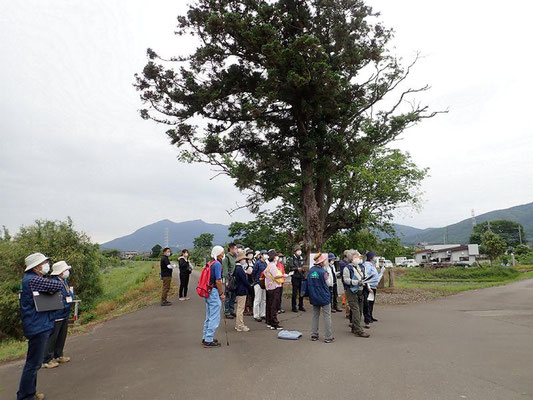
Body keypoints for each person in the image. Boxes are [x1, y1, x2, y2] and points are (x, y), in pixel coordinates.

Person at [17, 252, 64, 400]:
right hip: (38, 326)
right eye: (44, 263)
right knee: (33, 364)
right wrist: (52, 289)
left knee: (35, 364)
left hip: (39, 324)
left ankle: (30, 392)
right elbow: (57, 284)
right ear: (37, 266)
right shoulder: (33, 280)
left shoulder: (32, 280)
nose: (46, 265)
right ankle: (25, 396)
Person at [42, 261, 75, 369]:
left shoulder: (64, 281)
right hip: (56, 314)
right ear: (60, 272)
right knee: (52, 338)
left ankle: (58, 355)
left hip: (64, 313)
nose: (67, 272)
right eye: (65, 270)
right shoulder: (53, 282)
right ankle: (47, 359)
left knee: (62, 336)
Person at [307, 253, 334, 343]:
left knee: (315, 315)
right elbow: (329, 283)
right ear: (321, 262)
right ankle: (328, 337)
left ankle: (314, 334)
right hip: (324, 296)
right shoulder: (323, 272)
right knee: (327, 316)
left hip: (314, 296)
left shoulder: (310, 271)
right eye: (324, 260)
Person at [202, 246, 226, 348]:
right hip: (214, 292)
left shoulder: (210, 263)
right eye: (222, 252)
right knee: (214, 317)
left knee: (209, 316)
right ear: (219, 253)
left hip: (208, 291)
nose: (223, 254)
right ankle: (209, 339)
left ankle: (206, 336)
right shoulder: (217, 264)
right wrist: (221, 294)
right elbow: (218, 281)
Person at [343, 250, 370, 338]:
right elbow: (346, 280)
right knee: (356, 310)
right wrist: (357, 282)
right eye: (355, 257)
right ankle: (358, 330)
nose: (358, 258)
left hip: (360, 290)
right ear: (351, 258)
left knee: (360, 310)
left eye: (358, 257)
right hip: (351, 291)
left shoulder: (361, 267)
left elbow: (365, 277)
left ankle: (355, 327)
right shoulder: (347, 268)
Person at [363, 252, 386, 324]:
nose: (375, 258)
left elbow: (376, 278)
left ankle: (370, 316)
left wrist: (381, 273)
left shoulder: (372, 265)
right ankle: (367, 318)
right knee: (368, 303)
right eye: (374, 256)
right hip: (369, 287)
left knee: (371, 302)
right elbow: (367, 277)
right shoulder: (367, 265)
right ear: (371, 258)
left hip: (373, 286)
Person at [264, 250, 284, 330]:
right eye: (276, 256)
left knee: (269, 304)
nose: (277, 257)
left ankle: (269, 321)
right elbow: (276, 276)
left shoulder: (268, 265)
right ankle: (274, 323)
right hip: (275, 287)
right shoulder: (272, 265)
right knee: (274, 305)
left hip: (269, 287)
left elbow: (265, 273)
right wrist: (283, 275)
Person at [234, 252, 253, 332]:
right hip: (242, 290)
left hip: (239, 290)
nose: (245, 260)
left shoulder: (237, 268)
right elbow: (244, 281)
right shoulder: (239, 269)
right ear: (241, 260)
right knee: (240, 309)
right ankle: (240, 325)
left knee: (239, 308)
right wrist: (250, 287)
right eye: (244, 259)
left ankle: (238, 324)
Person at [222, 243, 238, 319]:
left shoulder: (235, 257)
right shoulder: (226, 258)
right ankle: (227, 311)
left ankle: (231, 310)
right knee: (228, 295)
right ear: (231, 249)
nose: (236, 250)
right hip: (229, 279)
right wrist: (226, 280)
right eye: (235, 248)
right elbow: (225, 270)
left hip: (235, 279)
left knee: (233, 296)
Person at [252, 250, 268, 322]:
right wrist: (256, 281)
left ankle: (262, 313)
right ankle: (256, 315)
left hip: (264, 283)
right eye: (264, 254)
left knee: (263, 299)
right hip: (258, 283)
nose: (266, 255)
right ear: (261, 255)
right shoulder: (257, 263)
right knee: (257, 299)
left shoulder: (265, 263)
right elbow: (254, 273)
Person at [289, 245, 306, 312]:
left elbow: (303, 266)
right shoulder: (292, 259)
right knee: (295, 293)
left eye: (300, 250)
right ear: (295, 251)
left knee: (301, 292)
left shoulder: (301, 258)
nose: (299, 251)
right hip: (295, 277)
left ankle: (301, 306)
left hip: (301, 277)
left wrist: (303, 270)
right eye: (298, 250)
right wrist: (297, 269)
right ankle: (294, 307)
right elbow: (290, 268)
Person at [243, 249, 255, 315]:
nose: (251, 255)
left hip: (252, 280)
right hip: (247, 280)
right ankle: (245, 308)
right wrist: (246, 271)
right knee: (246, 295)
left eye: (252, 254)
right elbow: (242, 270)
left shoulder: (254, 261)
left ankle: (250, 308)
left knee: (252, 295)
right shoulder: (245, 262)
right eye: (249, 254)